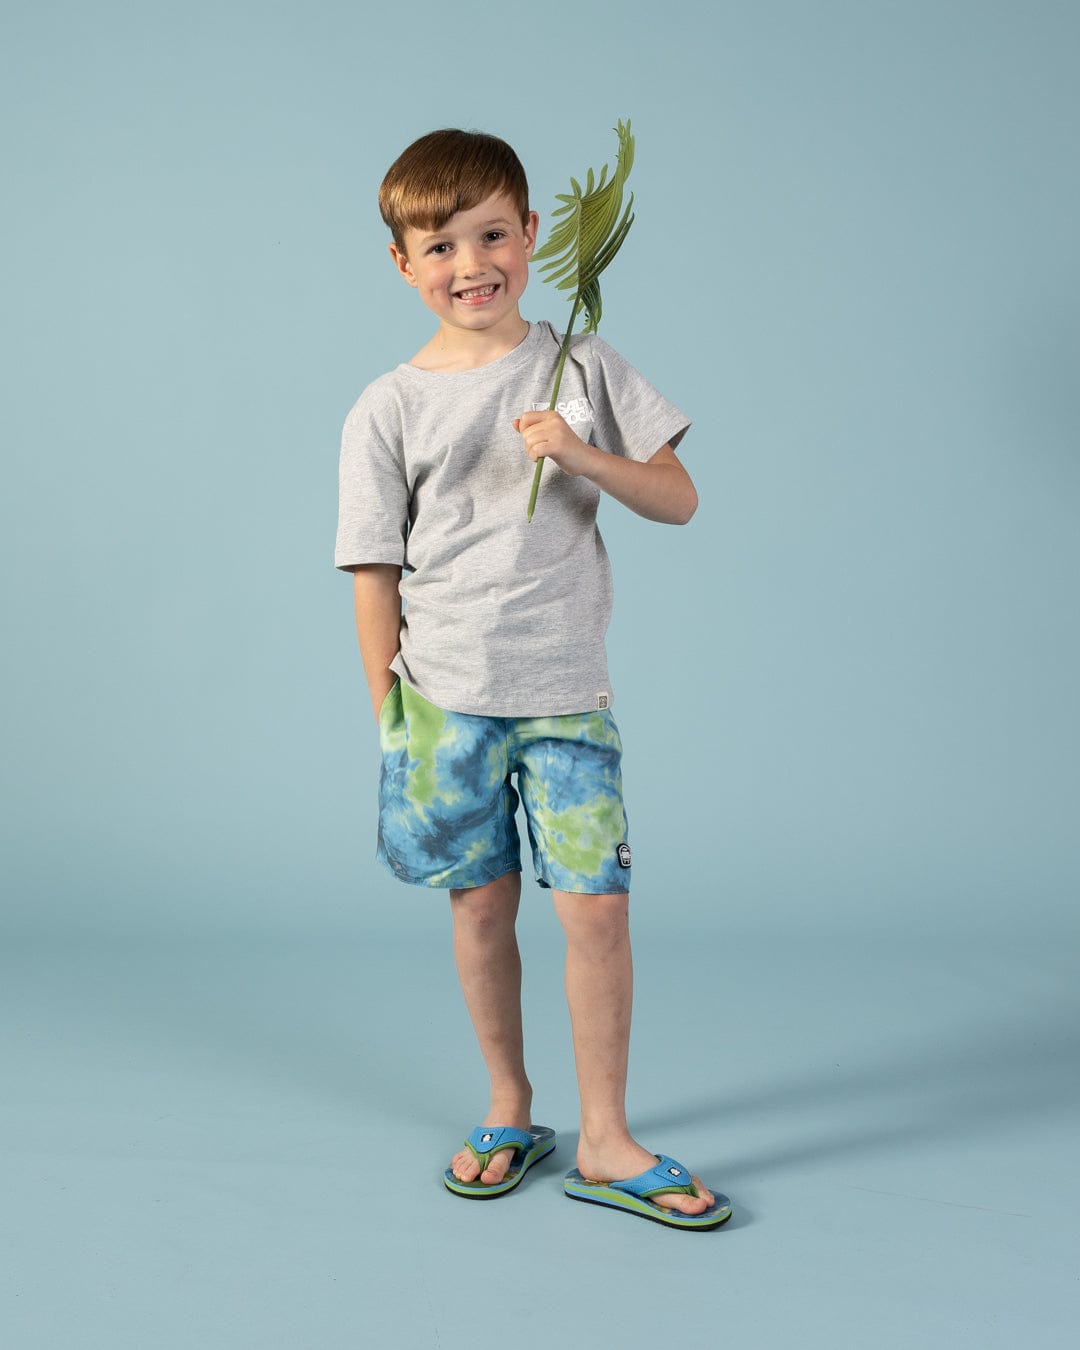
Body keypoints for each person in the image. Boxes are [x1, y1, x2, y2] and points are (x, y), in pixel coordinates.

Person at [335, 128, 730, 1230]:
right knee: (479, 912)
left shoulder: (585, 367)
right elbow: (373, 574)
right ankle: (510, 1107)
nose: (472, 263)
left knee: (597, 913)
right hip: (444, 704)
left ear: (533, 236)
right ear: (403, 265)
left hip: (565, 698)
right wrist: (391, 712)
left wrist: (577, 452)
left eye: (492, 234)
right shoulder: (387, 405)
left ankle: (605, 1136)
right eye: (440, 245)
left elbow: (679, 497)